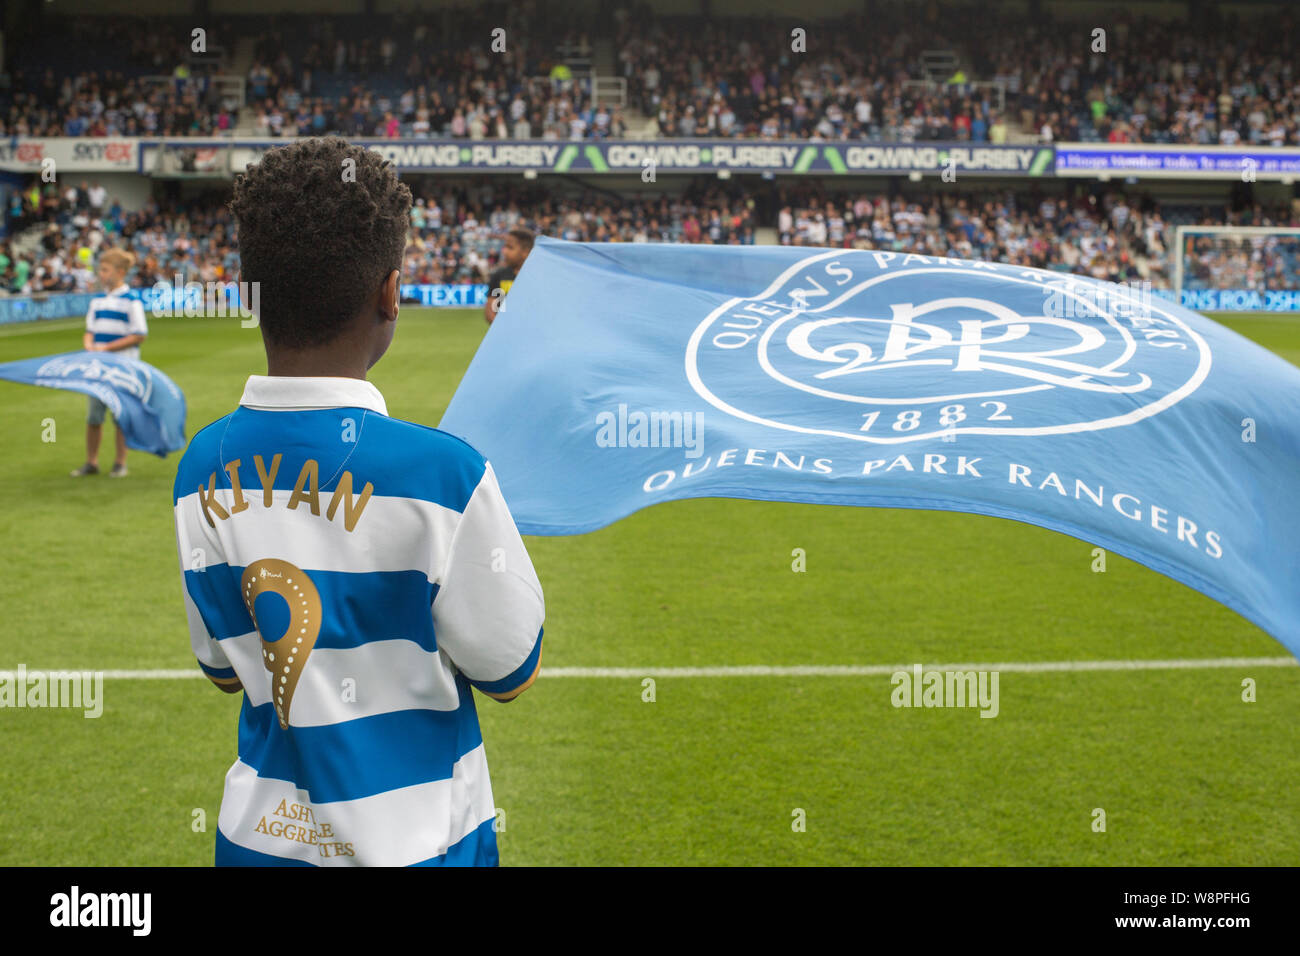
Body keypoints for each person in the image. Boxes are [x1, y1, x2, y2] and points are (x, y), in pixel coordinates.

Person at [172, 137, 544, 867]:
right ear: (391, 293)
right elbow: (511, 667)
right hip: (422, 846)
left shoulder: (200, 467)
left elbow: (221, 667)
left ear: (252, 292)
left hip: (256, 845)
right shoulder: (444, 473)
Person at [70, 248, 147, 478]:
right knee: (93, 417)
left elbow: (139, 334)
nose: (101, 274)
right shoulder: (97, 301)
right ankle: (91, 462)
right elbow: (89, 331)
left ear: (120, 272)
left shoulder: (131, 301)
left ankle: (119, 462)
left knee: (120, 416)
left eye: (105, 269)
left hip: (122, 368)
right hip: (98, 369)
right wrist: (89, 345)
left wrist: (105, 348)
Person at [484, 227, 533, 325]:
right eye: (505, 247)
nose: (504, 251)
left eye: (510, 247)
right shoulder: (499, 276)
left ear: (526, 252)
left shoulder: (537, 278)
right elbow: (491, 311)